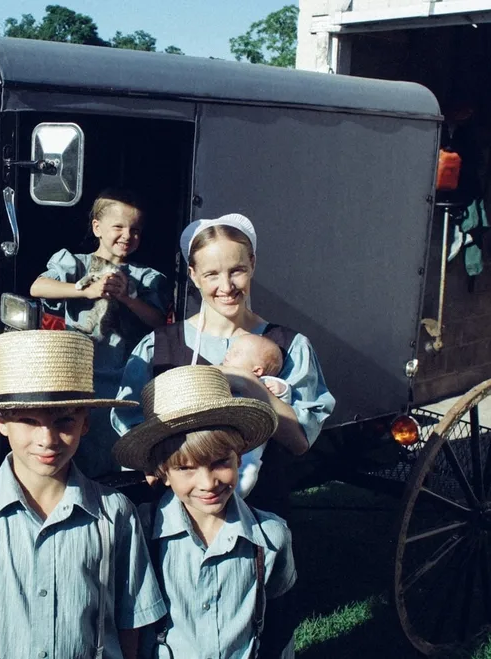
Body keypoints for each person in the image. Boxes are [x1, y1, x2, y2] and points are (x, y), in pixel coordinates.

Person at [0, 330, 166, 659]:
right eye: (29, 420)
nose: (47, 439)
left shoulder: (115, 514)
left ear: (85, 422)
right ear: (2, 421)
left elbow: (131, 621)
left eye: (64, 421)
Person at [113, 213, 335, 517]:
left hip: (258, 510)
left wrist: (249, 383)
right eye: (212, 274)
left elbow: (298, 440)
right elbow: (131, 426)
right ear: (193, 275)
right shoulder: (161, 346)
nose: (226, 286)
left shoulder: (286, 346)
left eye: (237, 270)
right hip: (173, 513)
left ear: (253, 264)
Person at [112, 365, 297, 659]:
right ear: (162, 472)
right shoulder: (141, 532)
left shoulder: (271, 536)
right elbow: (129, 621)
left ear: (239, 457)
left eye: (220, 462)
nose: (208, 483)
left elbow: (278, 621)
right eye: (186, 468)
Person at [29, 189, 169, 478]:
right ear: (97, 227)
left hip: (127, 379)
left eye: (135, 230)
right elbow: (38, 287)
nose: (127, 235)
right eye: (118, 226)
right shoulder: (75, 263)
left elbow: (159, 323)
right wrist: (84, 289)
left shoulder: (146, 277)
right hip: (79, 377)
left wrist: (130, 299)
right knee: (80, 445)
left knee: (120, 446)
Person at [220, 333, 290, 497]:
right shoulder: (225, 374)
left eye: (236, 353)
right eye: (230, 350)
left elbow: (284, 403)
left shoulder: (265, 383)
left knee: (249, 467)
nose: (228, 355)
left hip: (252, 442)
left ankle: (236, 495)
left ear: (257, 370)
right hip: (225, 436)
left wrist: (282, 389)